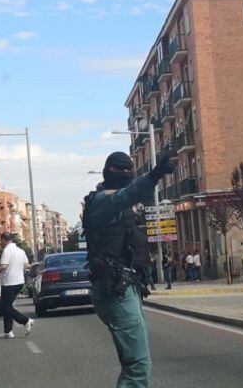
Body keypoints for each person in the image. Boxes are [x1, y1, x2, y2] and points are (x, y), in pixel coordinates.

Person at [83, 147, 176, 388]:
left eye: (129, 170)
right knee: (138, 368)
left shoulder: (114, 202)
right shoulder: (104, 202)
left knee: (136, 365)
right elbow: (129, 194)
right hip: (116, 292)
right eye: (120, 170)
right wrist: (154, 175)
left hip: (123, 288)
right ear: (107, 173)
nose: (126, 174)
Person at [0, 232, 34, 338]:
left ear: (3, 240)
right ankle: (8, 331)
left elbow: (3, 267)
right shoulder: (21, 250)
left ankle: (25, 321)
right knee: (7, 306)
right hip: (19, 281)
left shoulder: (7, 251)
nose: (0, 243)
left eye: (0, 241)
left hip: (9, 283)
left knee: (5, 307)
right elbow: (26, 266)